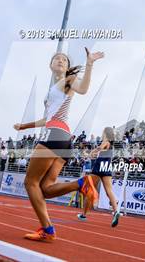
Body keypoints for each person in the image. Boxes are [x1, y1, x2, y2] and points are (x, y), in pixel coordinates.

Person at [13, 49, 104, 242]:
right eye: (57, 58)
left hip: (53, 135)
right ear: (51, 65)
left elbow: (84, 89)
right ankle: (80, 184)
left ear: (67, 67)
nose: (61, 60)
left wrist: (89, 64)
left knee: (31, 183)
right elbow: (46, 118)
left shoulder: (67, 81)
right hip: (64, 140)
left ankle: (47, 229)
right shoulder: (53, 90)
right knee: (45, 189)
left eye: (64, 59)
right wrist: (24, 126)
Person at [77, 127, 120, 227]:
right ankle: (116, 211)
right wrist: (94, 154)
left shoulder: (106, 141)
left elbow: (100, 147)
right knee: (109, 191)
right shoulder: (111, 144)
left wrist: (92, 152)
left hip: (99, 166)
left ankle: (83, 214)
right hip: (107, 167)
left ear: (105, 133)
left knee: (90, 190)